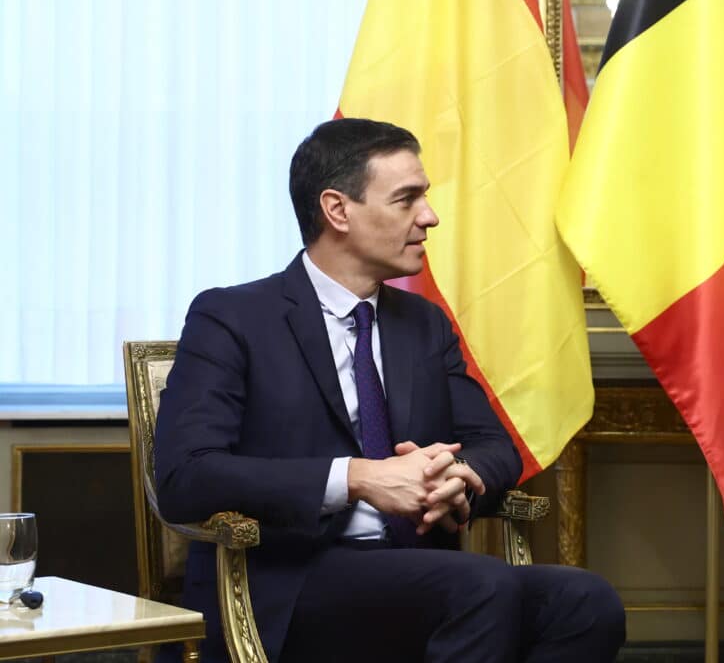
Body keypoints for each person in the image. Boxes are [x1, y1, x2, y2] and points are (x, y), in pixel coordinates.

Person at [154, 119, 625, 663]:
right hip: (289, 580)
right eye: (407, 199)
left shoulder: (424, 324)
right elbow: (185, 476)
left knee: (588, 601)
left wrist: (460, 477)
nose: (429, 216)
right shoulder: (233, 317)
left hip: (418, 567)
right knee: (479, 585)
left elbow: (494, 447)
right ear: (338, 210)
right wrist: (358, 478)